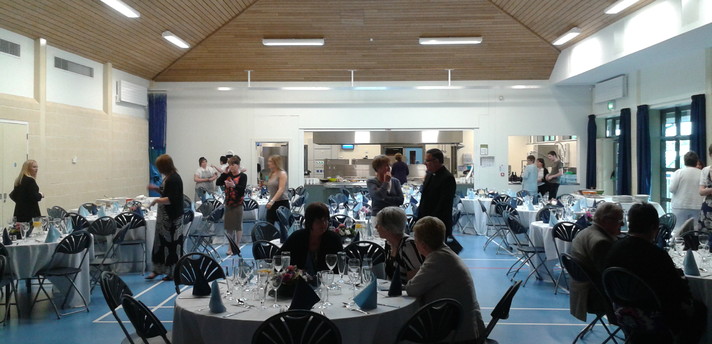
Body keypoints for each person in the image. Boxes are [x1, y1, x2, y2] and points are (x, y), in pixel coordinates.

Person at [604, 202, 707, 343]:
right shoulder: (656, 255)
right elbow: (677, 292)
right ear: (654, 228)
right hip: (653, 316)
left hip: (622, 313)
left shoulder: (613, 249)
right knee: (700, 310)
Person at [405, 216, 485, 342]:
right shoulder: (445, 253)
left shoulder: (437, 260)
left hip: (457, 332)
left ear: (423, 245)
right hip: (466, 323)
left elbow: (412, 289)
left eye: (415, 240)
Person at [568, 202, 623, 322]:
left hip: (580, 289)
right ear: (605, 220)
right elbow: (610, 277)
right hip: (595, 296)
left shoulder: (585, 232)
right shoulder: (601, 242)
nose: (622, 224)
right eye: (619, 220)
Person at [146, 154, 184, 281]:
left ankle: (172, 271)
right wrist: (156, 189)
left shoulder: (174, 179)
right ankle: (158, 269)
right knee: (159, 244)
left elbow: (171, 199)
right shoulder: (167, 178)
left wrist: (156, 200)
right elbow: (166, 193)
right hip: (163, 218)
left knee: (171, 245)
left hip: (172, 218)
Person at [279, 202, 342, 274]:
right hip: (299, 281)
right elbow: (279, 257)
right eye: (319, 221)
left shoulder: (333, 239)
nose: (324, 224)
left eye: (325, 220)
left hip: (326, 280)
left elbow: (341, 264)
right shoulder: (297, 237)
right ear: (309, 222)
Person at [376, 206, 424, 284]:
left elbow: (415, 282)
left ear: (388, 227)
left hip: (407, 294)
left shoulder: (408, 246)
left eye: (379, 224)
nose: (376, 227)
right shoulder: (389, 244)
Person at [417, 148, 456, 237]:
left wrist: (431, 222)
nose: (425, 163)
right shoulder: (429, 175)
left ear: (436, 161)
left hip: (437, 224)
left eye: (427, 160)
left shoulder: (447, 178)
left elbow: (444, 204)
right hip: (425, 222)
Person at [669, 151, 703, 236]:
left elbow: (672, 189)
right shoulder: (702, 173)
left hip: (680, 205)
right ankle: (694, 247)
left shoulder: (679, 172)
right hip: (697, 205)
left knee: (678, 231)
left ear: (684, 161)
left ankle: (678, 247)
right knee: (695, 232)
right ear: (696, 162)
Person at [223, 156, 247, 255]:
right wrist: (224, 173)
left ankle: (237, 245)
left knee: (238, 225)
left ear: (238, 165)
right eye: (230, 165)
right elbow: (218, 182)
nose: (231, 167)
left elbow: (242, 190)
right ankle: (230, 246)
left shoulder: (243, 176)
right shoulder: (228, 175)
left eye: (233, 165)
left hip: (238, 203)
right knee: (229, 226)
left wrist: (234, 186)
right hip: (228, 203)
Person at [265, 155, 289, 225]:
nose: (268, 163)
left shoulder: (282, 173)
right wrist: (263, 183)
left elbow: (281, 189)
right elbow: (267, 183)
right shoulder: (271, 173)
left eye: (270, 161)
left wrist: (272, 201)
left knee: (283, 226)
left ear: (276, 163)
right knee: (269, 223)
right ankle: (271, 236)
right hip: (272, 201)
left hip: (281, 202)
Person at [699, 144, 712, 231]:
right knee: (705, 237)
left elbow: (704, 190)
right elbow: (701, 191)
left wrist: (708, 190)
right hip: (707, 208)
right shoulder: (705, 170)